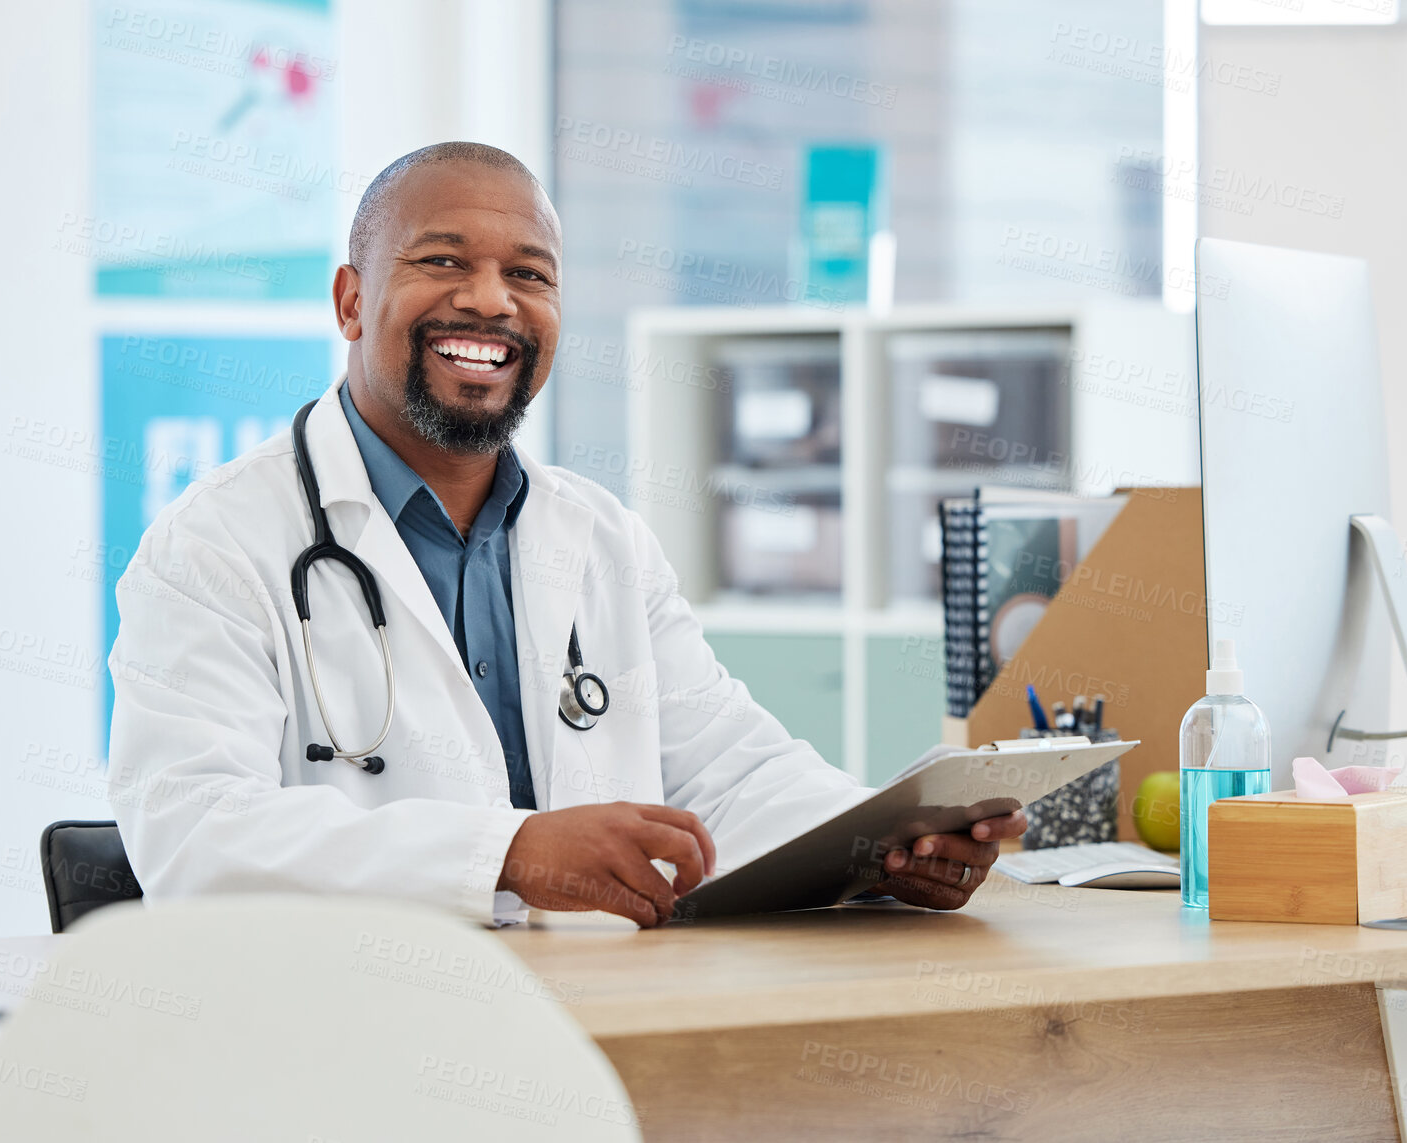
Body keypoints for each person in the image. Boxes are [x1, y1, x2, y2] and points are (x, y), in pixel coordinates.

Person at [108, 141, 1026, 929]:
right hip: (349, 1037)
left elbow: (731, 773)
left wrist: (887, 842)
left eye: (528, 274)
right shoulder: (217, 545)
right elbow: (193, 835)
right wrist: (506, 851)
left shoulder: (599, 538)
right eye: (441, 261)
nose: (490, 301)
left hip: (596, 1023)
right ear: (351, 300)